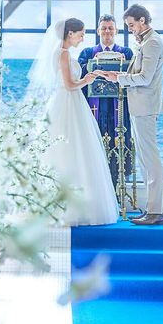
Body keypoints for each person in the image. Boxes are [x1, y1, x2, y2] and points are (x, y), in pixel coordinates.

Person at [27, 17, 118, 226]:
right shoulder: (63, 53)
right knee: (73, 150)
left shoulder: (62, 53)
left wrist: (89, 76)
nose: (82, 38)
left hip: (69, 102)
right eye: (81, 34)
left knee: (72, 151)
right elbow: (69, 85)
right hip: (68, 101)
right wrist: (87, 79)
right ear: (70, 34)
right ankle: (72, 206)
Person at [101, 4, 163, 226]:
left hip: (145, 107)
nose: (129, 29)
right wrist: (118, 74)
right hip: (140, 107)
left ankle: (156, 211)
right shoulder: (147, 41)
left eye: (131, 25)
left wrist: (118, 78)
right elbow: (139, 74)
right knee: (146, 160)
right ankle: (152, 209)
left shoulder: (152, 42)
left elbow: (145, 78)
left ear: (142, 21)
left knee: (150, 159)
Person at [78, 14, 133, 189]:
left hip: (119, 107)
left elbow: (133, 76)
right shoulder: (87, 53)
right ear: (98, 31)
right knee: (94, 146)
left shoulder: (126, 53)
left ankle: (117, 190)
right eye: (104, 28)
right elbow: (79, 77)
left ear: (116, 31)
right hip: (95, 109)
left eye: (110, 28)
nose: (107, 31)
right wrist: (93, 65)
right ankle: (95, 189)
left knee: (119, 145)